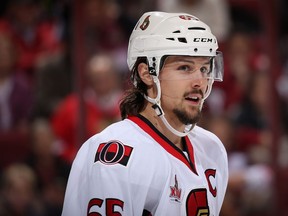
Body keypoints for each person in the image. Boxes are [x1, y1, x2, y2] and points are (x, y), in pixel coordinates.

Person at [62, 11, 228, 215]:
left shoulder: (212, 149)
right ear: (147, 73)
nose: (199, 82)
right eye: (185, 67)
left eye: (204, 69)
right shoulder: (115, 154)